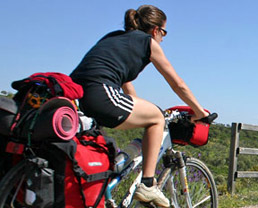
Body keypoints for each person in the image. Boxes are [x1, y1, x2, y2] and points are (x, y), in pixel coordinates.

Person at [70, 5, 209, 207]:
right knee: (157, 118)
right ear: (155, 30)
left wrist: (139, 108)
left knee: (141, 120)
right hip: (99, 92)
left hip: (77, 95)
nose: (163, 38)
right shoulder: (148, 43)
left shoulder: (115, 37)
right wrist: (199, 111)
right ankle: (148, 184)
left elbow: (125, 82)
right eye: (164, 32)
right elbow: (177, 83)